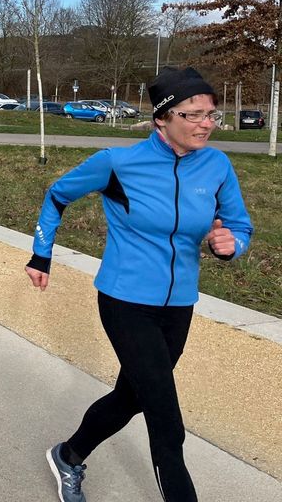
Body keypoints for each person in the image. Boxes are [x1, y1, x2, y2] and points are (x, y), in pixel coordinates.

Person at [26, 67, 253, 502]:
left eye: (212, 114)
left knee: (131, 397)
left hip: (179, 303)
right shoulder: (119, 163)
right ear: (162, 119)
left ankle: (68, 456)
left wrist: (231, 245)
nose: (207, 123)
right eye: (194, 114)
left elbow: (239, 225)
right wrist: (42, 254)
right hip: (125, 300)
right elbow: (57, 195)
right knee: (167, 421)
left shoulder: (217, 165)